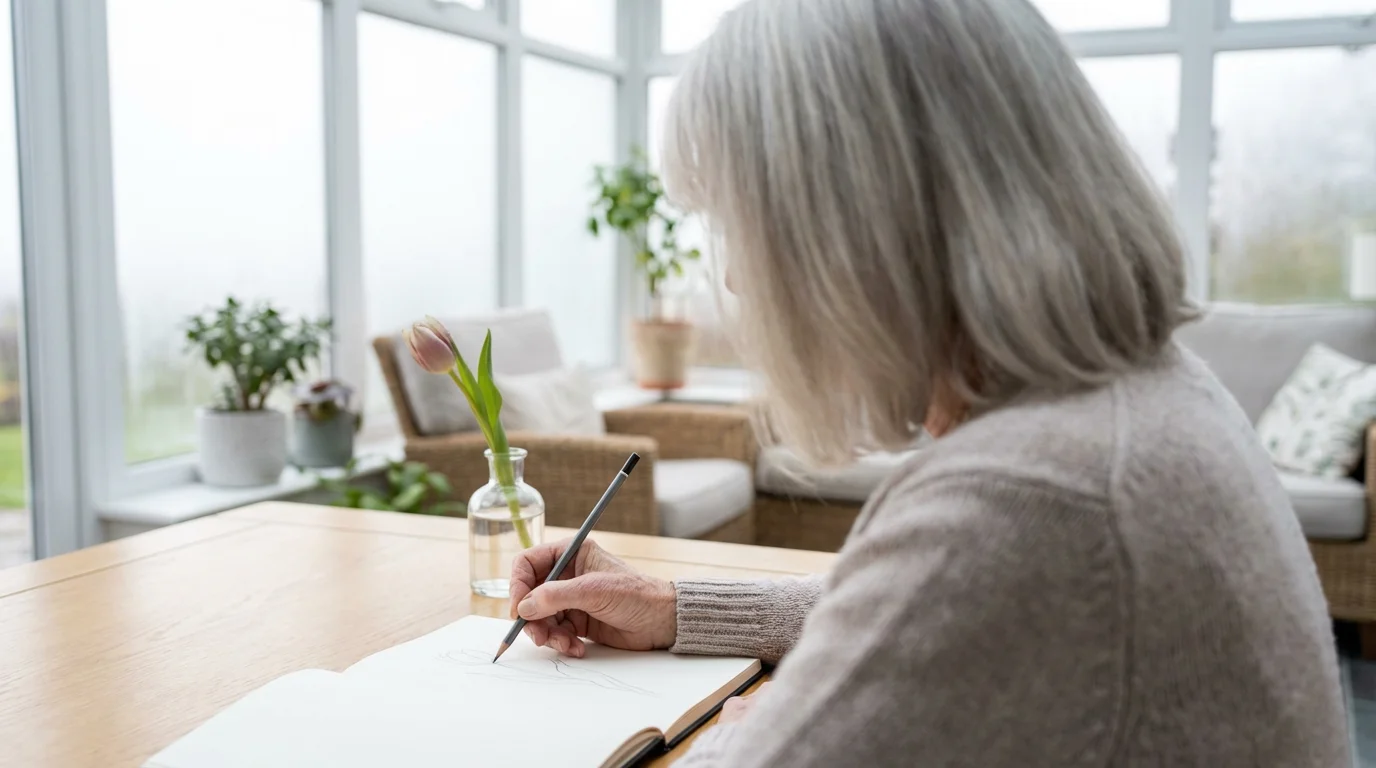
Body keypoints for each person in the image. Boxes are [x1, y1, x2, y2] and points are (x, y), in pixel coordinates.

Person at [510, 0, 1350, 764]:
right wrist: (671, 607)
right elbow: (913, 611)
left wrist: (746, 738)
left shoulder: (1030, 496)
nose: (734, 281)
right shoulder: (1148, 397)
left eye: (742, 223)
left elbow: (950, 590)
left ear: (855, 228)